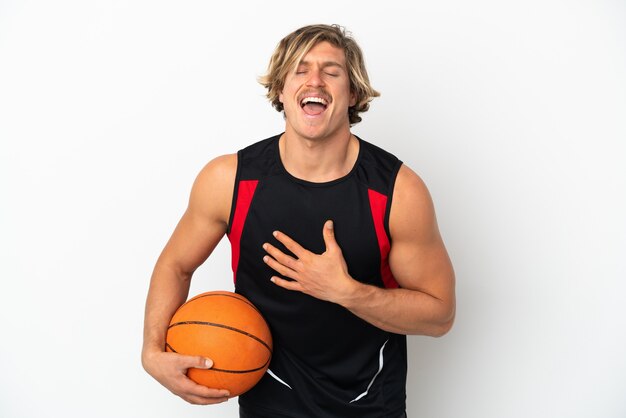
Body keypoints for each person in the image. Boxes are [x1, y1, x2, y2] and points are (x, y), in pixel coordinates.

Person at [142, 24, 455, 418]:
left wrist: (347, 292)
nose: (316, 81)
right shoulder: (230, 180)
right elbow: (176, 264)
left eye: (332, 71)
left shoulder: (398, 191)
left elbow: (440, 315)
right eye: (300, 70)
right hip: (268, 405)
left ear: (353, 92)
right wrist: (152, 351)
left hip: (370, 407)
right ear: (280, 89)